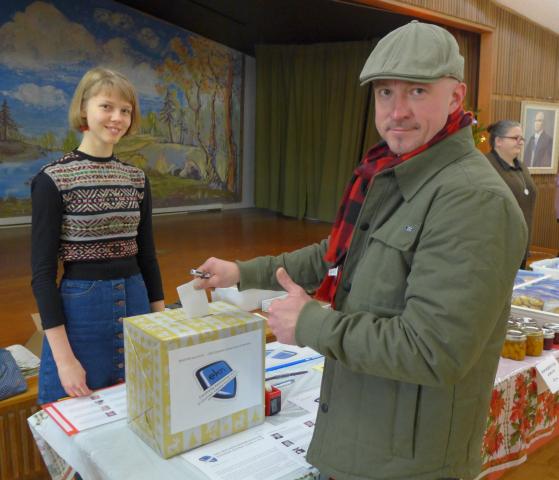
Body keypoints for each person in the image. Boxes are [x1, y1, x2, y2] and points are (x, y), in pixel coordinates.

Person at [195, 21, 527, 480]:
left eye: (416, 91)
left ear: (455, 97)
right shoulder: (394, 172)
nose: (397, 111)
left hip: (411, 462)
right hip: (364, 435)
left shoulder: (471, 198)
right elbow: (335, 256)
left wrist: (310, 322)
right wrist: (241, 271)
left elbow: (433, 349)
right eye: (385, 93)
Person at [31, 67, 165, 405]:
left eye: (125, 110)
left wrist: (162, 327)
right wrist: (64, 360)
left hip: (136, 303)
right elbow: (43, 277)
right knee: (77, 415)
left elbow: (147, 256)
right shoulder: (53, 179)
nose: (117, 117)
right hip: (81, 313)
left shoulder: (136, 179)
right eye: (107, 106)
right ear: (84, 109)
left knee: (139, 409)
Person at [486, 120, 536, 268]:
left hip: (521, 242)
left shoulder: (522, 167)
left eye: (522, 139)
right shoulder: (486, 165)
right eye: (515, 138)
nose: (520, 142)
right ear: (498, 141)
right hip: (496, 245)